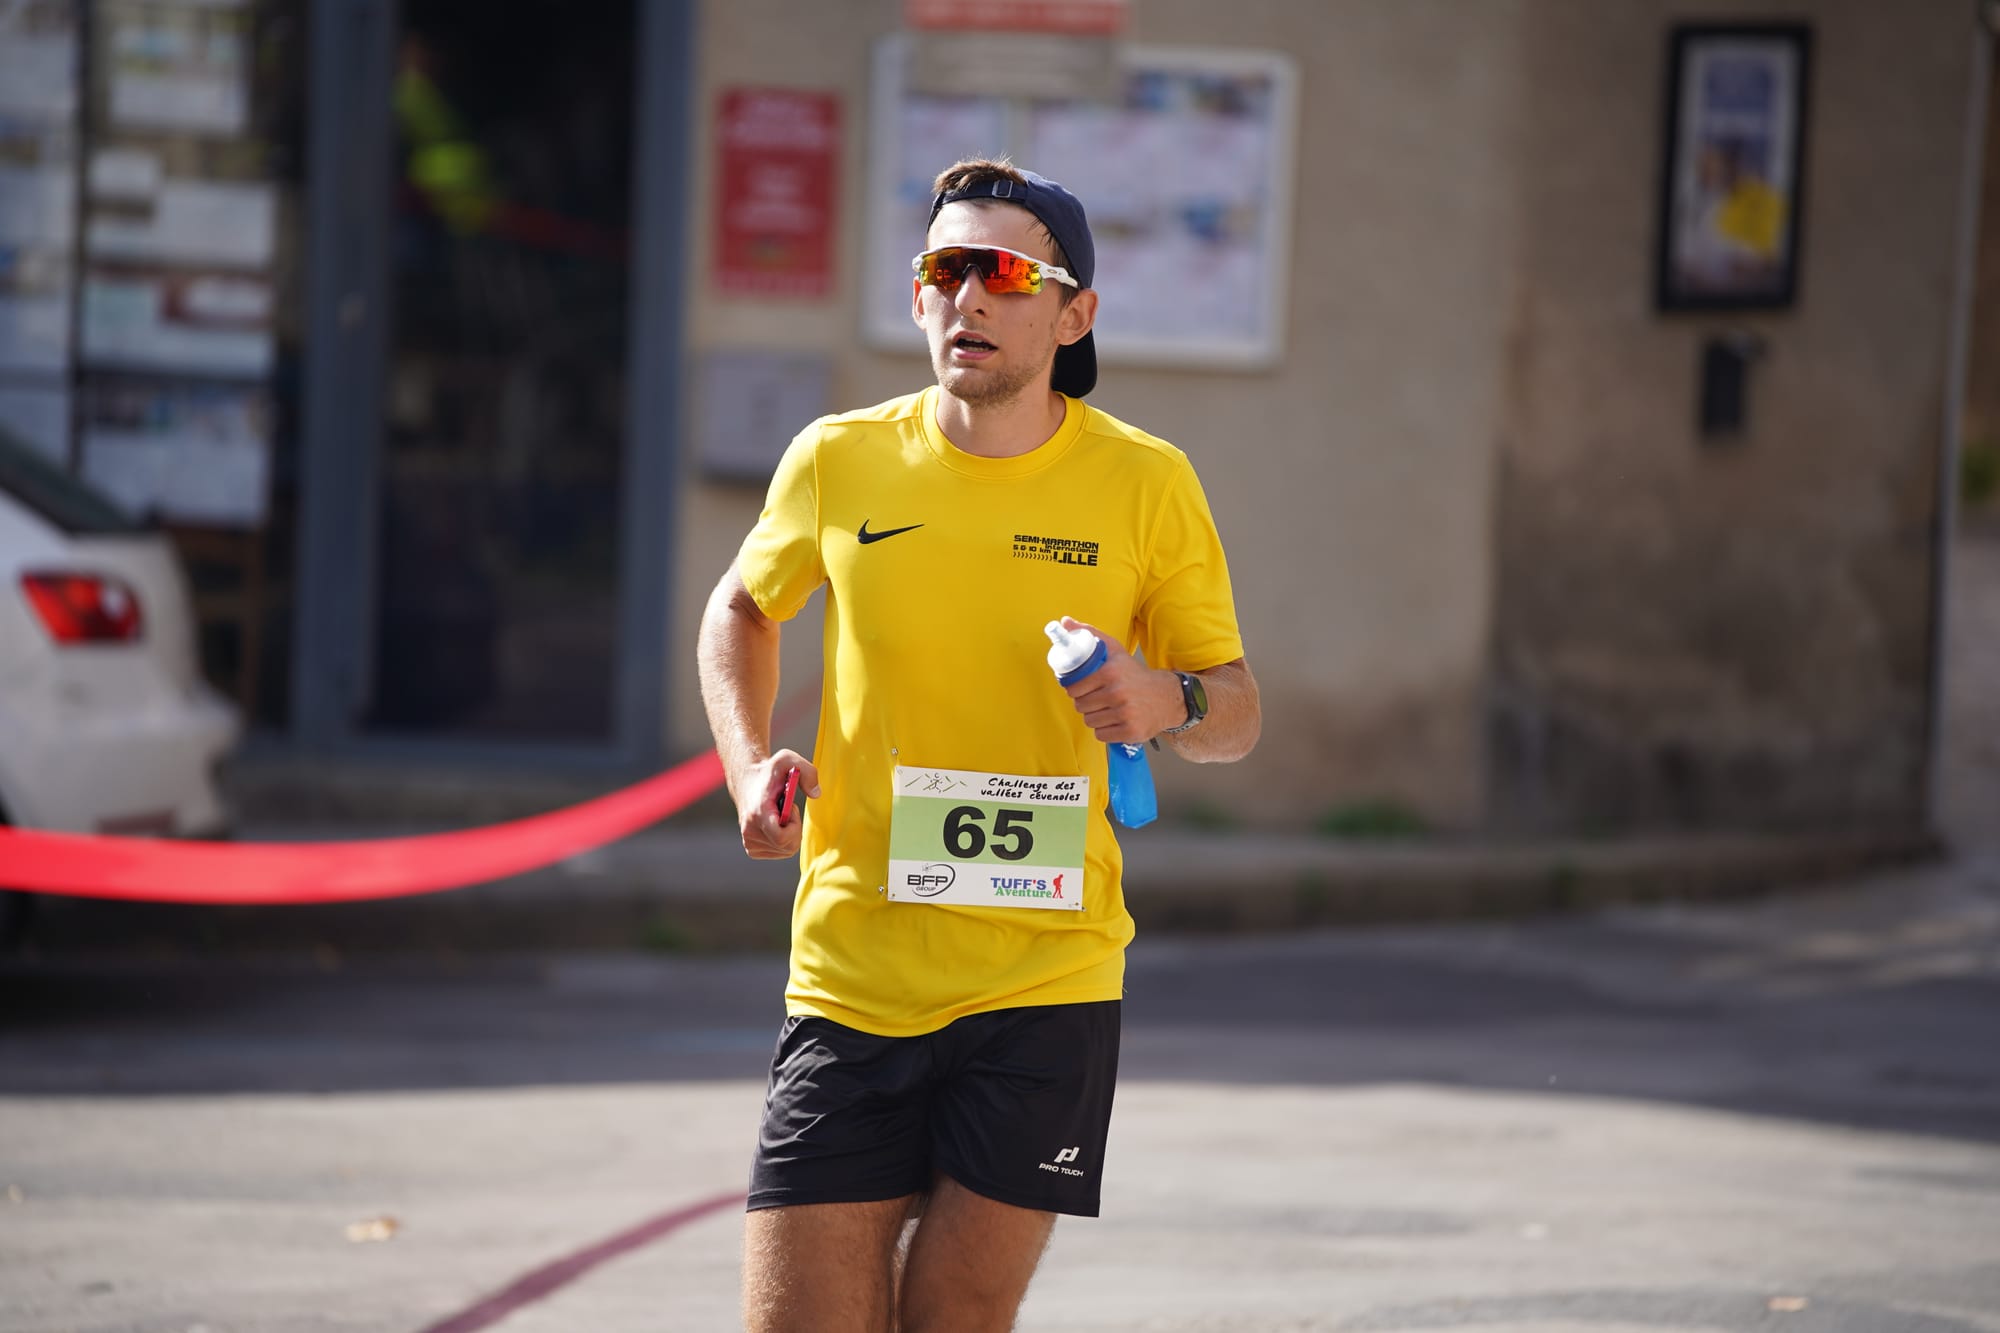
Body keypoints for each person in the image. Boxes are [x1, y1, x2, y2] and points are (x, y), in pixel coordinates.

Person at [697, 157, 1261, 1332]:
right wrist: (749, 763)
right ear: (917, 299)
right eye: (946, 268)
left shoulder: (1146, 484)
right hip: (853, 975)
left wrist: (1167, 704)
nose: (970, 296)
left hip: (1044, 979)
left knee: (954, 1319)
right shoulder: (838, 459)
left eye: (1005, 272)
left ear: (1073, 314)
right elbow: (742, 610)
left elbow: (1235, 710)